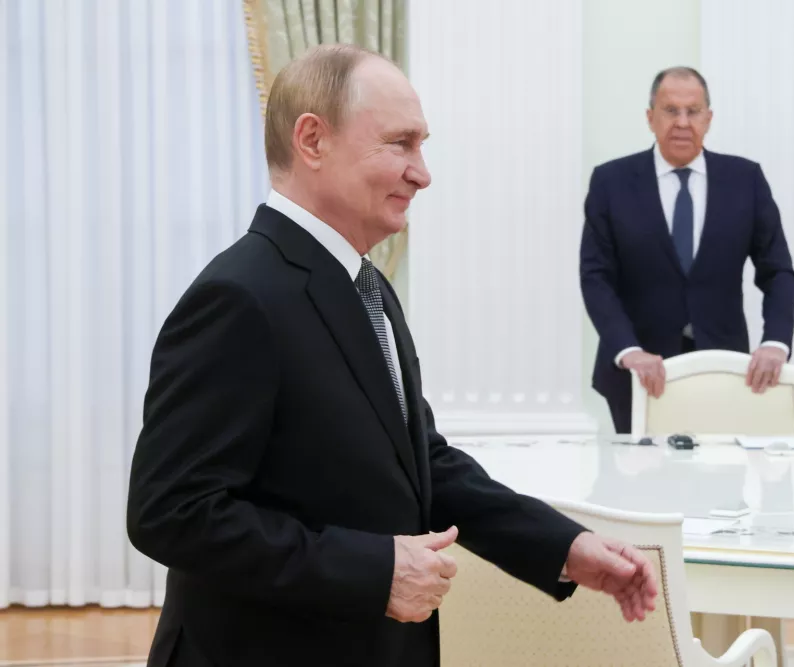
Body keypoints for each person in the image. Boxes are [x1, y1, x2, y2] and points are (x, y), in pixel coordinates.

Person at [126, 44, 658, 667]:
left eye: (422, 145)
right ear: (312, 140)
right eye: (400, 143)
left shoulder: (368, 285)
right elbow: (172, 513)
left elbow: (421, 465)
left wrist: (564, 546)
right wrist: (375, 569)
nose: (423, 172)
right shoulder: (238, 297)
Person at [580, 66, 794, 435]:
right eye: (670, 110)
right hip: (637, 375)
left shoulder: (745, 180)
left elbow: (778, 271)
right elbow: (596, 277)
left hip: (725, 371)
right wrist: (627, 350)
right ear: (650, 117)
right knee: (637, 490)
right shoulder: (611, 182)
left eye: (693, 111)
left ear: (708, 118)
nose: (682, 122)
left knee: (721, 489)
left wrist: (775, 342)